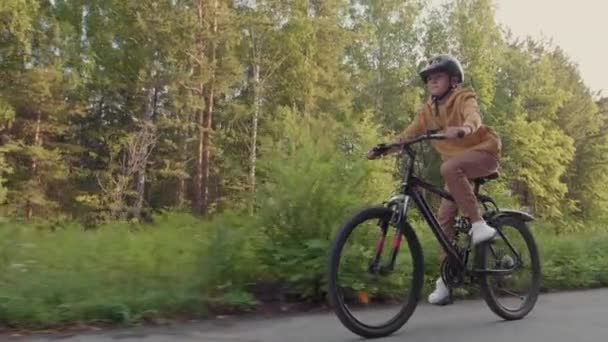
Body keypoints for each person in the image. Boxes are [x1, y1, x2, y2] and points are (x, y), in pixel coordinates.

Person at [367, 54, 502, 305]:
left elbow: (473, 117)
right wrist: (387, 148)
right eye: (429, 78)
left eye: (437, 77)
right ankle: (446, 279)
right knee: (444, 218)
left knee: (449, 168)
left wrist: (465, 129)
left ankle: (478, 224)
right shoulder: (428, 110)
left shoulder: (464, 97)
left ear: (453, 80)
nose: (431, 82)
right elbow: (409, 133)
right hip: (456, 167)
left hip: (484, 152)